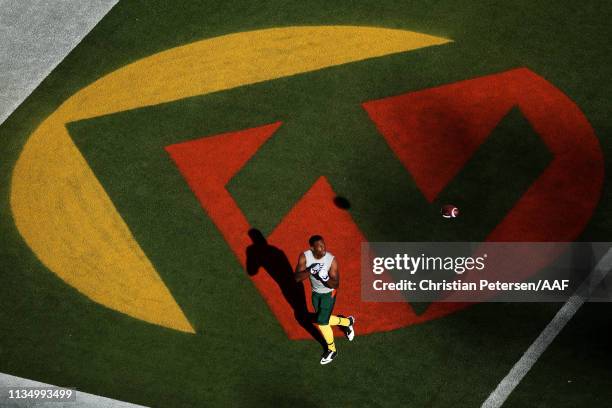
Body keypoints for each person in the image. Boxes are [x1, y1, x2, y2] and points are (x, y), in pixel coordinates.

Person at [294, 234, 355, 365]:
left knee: (322, 322)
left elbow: (336, 284)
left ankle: (332, 350)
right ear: (312, 248)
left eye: (324, 245)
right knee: (323, 318)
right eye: (319, 247)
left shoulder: (331, 260)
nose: (323, 249)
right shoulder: (305, 257)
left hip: (329, 293)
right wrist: (310, 270)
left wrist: (325, 278)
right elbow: (297, 278)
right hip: (315, 294)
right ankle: (347, 322)